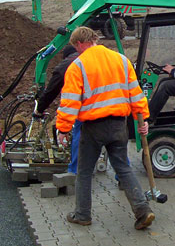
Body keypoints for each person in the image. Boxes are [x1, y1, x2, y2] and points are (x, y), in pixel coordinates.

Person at [56, 26, 154, 230]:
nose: (77, 51)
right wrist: (142, 118)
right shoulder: (121, 60)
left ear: (80, 43)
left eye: (77, 47)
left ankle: (82, 215)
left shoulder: (78, 66)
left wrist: (63, 129)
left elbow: (70, 102)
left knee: (84, 172)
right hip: (119, 124)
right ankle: (143, 211)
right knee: (124, 168)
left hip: (93, 127)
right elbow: (135, 93)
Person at [34, 45, 81, 175]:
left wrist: (39, 109)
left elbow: (51, 92)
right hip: (111, 110)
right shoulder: (90, 60)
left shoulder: (65, 66)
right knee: (115, 145)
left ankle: (74, 171)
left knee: (79, 134)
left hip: (83, 110)